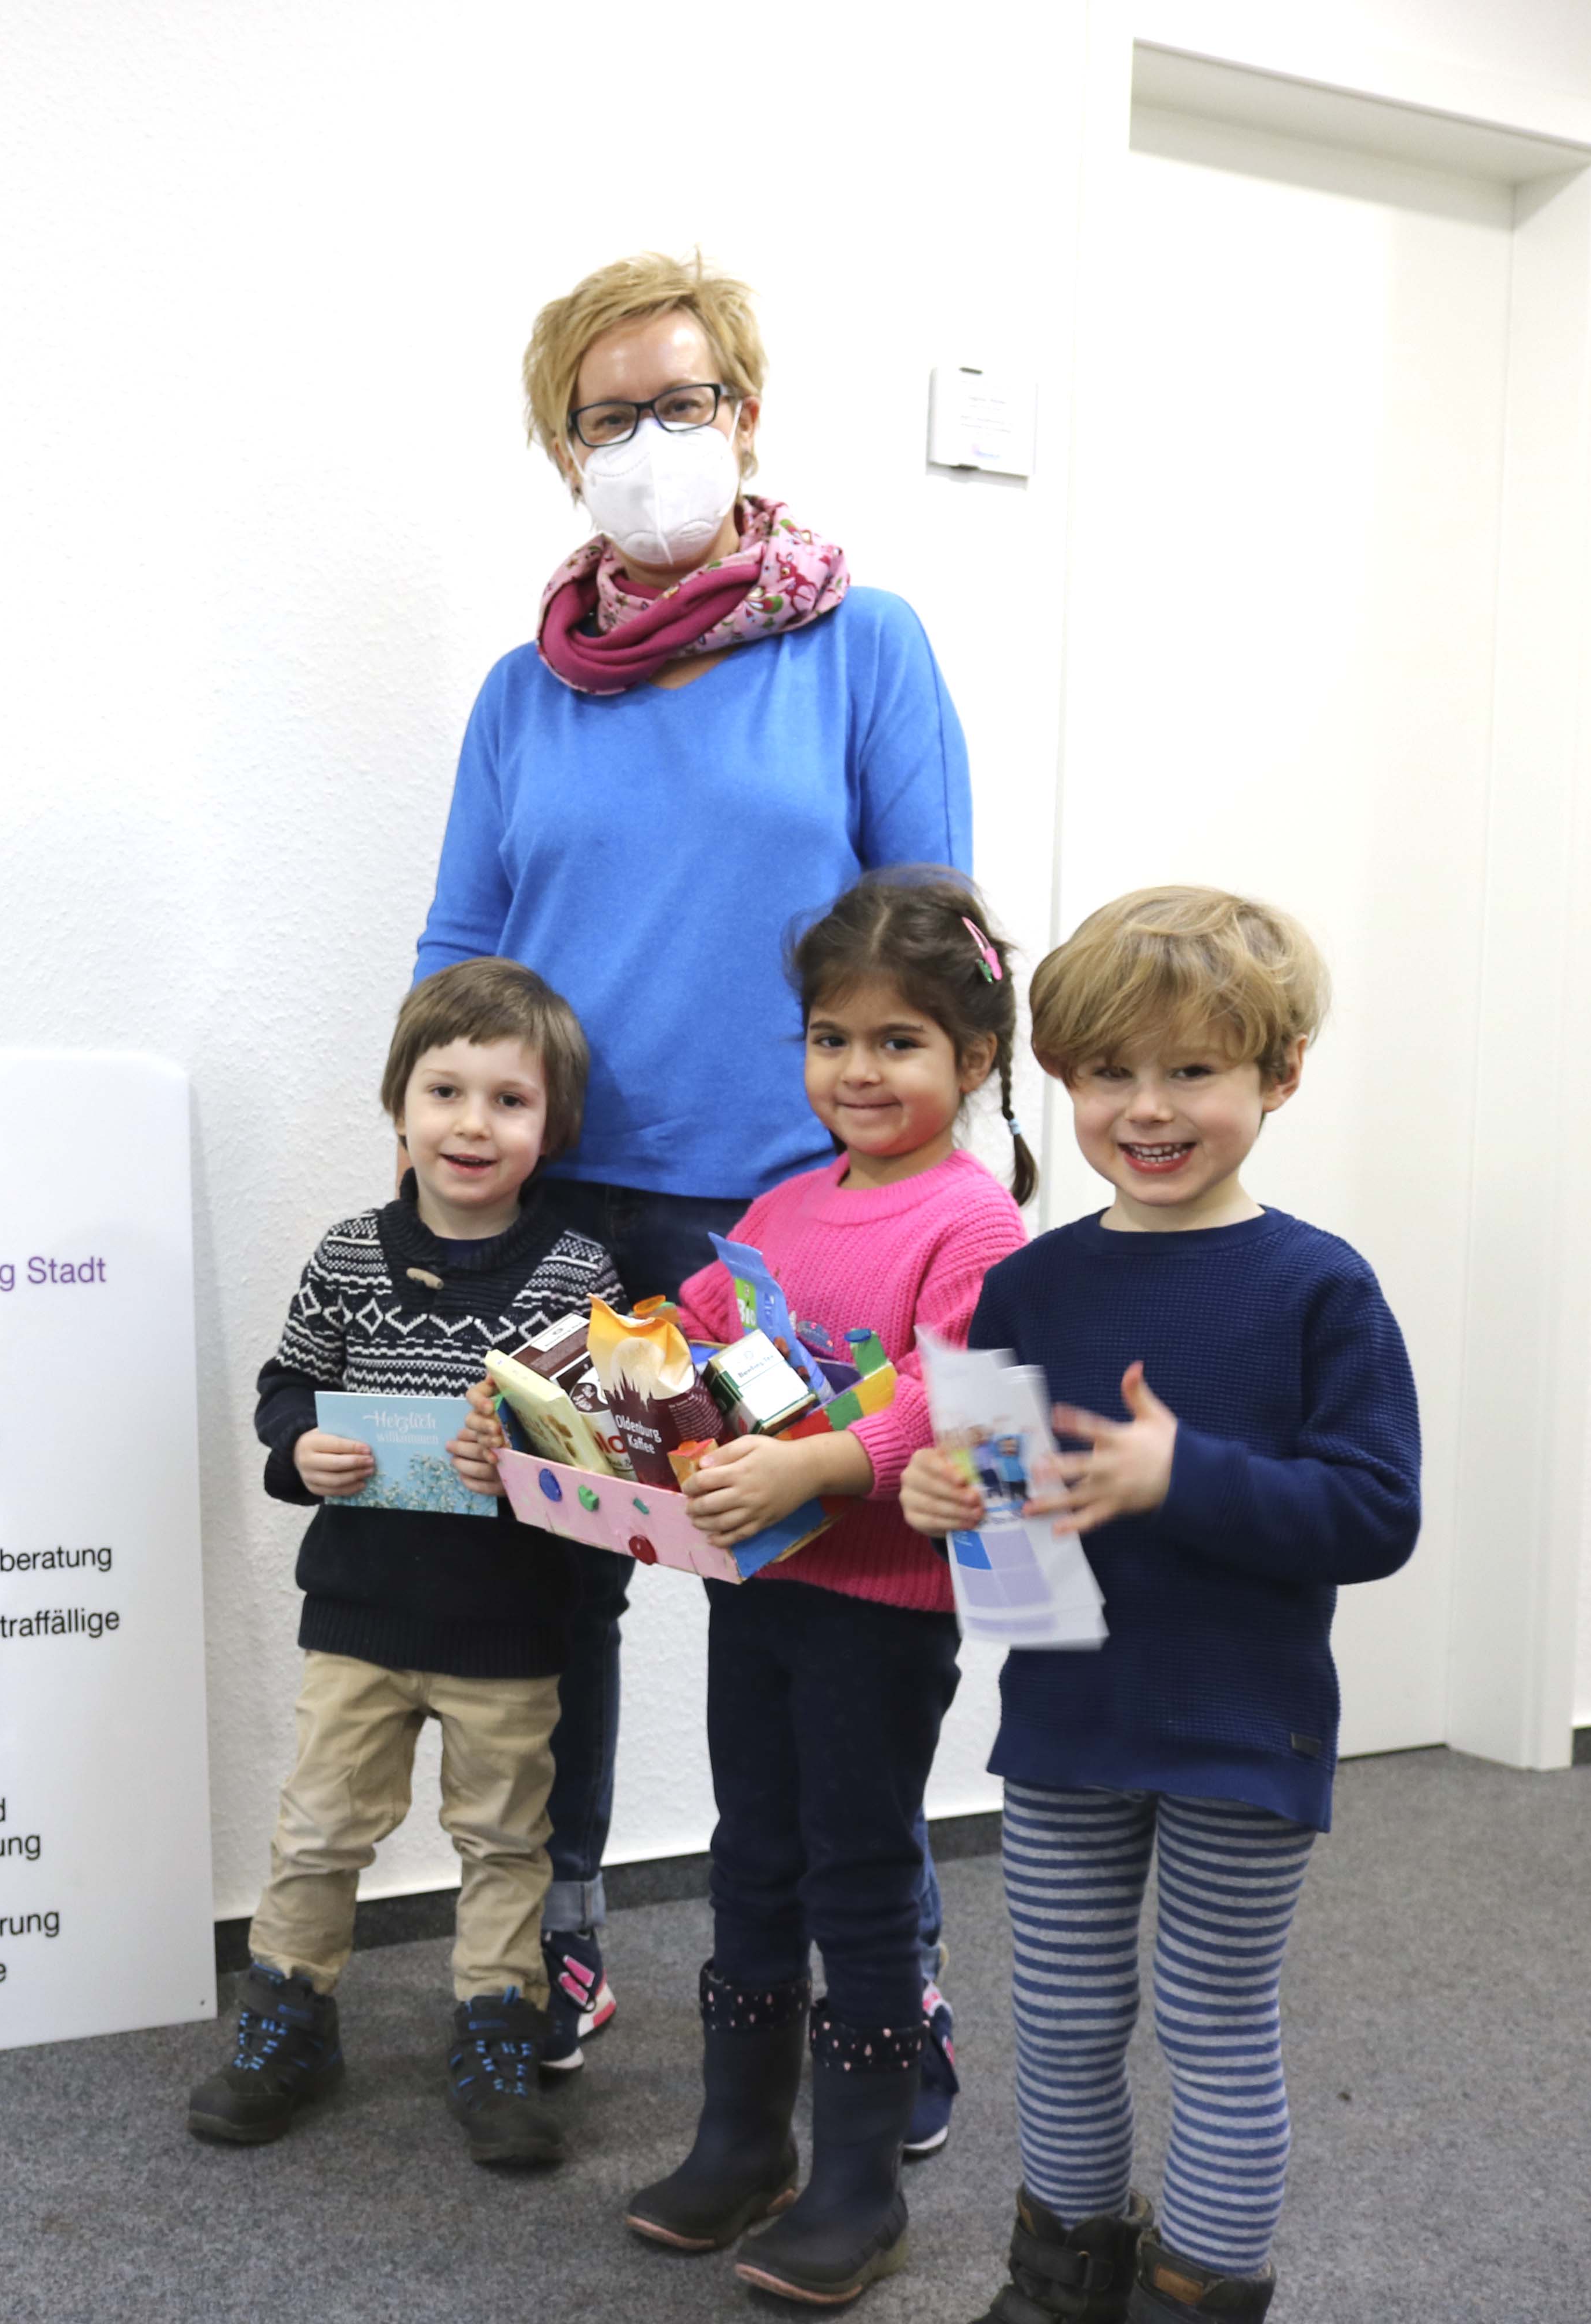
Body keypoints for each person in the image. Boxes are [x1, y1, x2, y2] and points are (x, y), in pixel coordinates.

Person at [417, 251, 975, 2107]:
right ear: (560, 451)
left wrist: (923, 1185)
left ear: (746, 411)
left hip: (790, 1225)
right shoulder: (526, 693)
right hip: (570, 1211)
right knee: (550, 1604)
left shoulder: (863, 645)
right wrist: (439, 1157)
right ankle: (560, 1935)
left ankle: (887, 1979)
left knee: (819, 1609)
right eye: (608, 417)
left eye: (683, 401)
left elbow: (933, 934)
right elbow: (464, 943)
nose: (650, 440)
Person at [900, 888, 1420, 2324]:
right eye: (1110, 1071)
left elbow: (1376, 1513)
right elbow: (1011, 1521)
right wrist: (953, 1497)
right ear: (1061, 1076)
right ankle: (1063, 2277)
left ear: (1281, 1073)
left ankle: (1199, 2292)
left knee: (1212, 2021)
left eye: (1192, 1068)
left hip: (1241, 1726)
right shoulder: (1029, 1284)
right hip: (1070, 1717)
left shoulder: (1320, 1287)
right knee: (1062, 2019)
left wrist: (1186, 1474)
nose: (1147, 1106)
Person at [605, 873, 1034, 2303]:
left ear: (975, 1056)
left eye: (899, 1040)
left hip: (884, 1608)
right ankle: (741, 2142)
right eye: (831, 1037)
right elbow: (686, 1339)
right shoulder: (782, 1207)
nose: (859, 1069)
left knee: (858, 1871)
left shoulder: (975, 1223)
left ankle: (857, 2182)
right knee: (753, 1851)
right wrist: (557, 1389)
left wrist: (813, 1463)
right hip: (759, 1593)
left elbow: (948, 1391)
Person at [187, 960, 622, 2168]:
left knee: (505, 1841)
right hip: (361, 1616)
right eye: (446, 1091)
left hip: (509, 1627)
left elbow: (603, 1452)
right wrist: (299, 1449)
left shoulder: (577, 1273)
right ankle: (288, 2016)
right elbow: (287, 1384)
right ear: (400, 1105)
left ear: (553, 1127)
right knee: (320, 1829)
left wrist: (524, 1464)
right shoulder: (347, 1255)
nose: (473, 1124)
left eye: (510, 1100)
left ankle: (497, 2028)